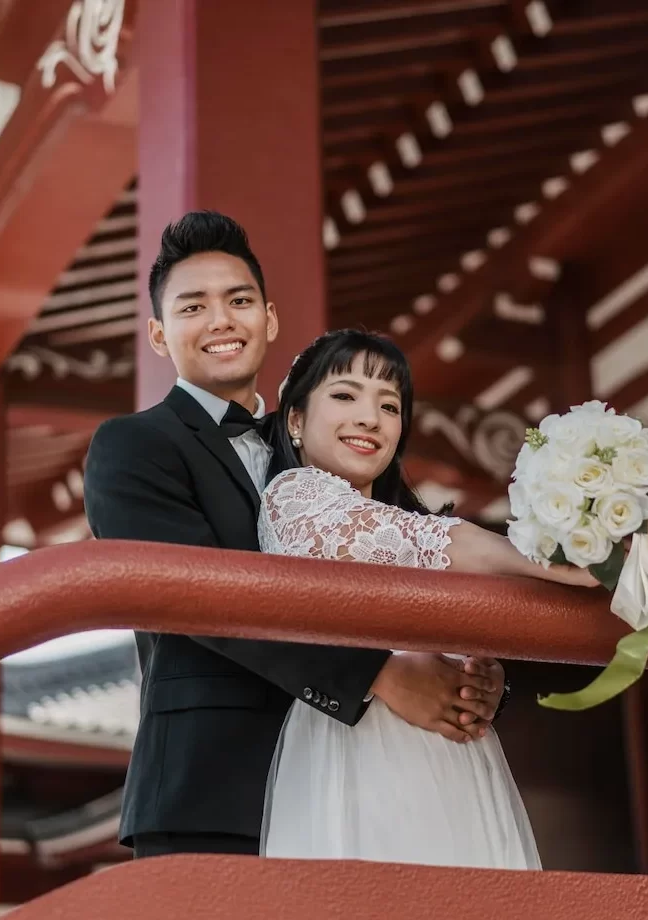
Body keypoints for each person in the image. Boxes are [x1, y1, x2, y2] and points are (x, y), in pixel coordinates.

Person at [83, 212, 510, 859]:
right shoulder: (133, 446)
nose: (222, 320)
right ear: (159, 335)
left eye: (239, 301)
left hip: (359, 783)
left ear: (270, 320)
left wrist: (468, 670)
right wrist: (378, 675)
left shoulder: (324, 435)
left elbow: (414, 543)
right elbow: (194, 598)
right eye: (193, 306)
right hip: (217, 786)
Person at [258, 329, 599, 869]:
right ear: (295, 420)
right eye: (345, 395)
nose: (369, 418)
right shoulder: (294, 497)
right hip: (362, 744)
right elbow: (441, 546)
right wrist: (565, 560)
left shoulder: (415, 522)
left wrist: (483, 676)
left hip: (456, 753)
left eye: (389, 405)